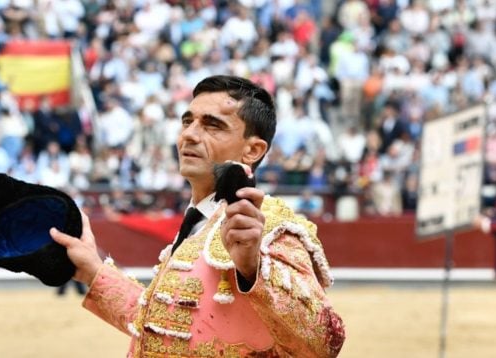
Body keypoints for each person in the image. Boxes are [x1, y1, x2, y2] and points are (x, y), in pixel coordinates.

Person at [50, 75, 345, 356]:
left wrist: (254, 269)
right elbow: (163, 328)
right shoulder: (198, 222)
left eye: (212, 125)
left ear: (252, 150)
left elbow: (323, 344)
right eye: (188, 122)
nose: (189, 135)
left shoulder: (270, 228)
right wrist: (91, 271)